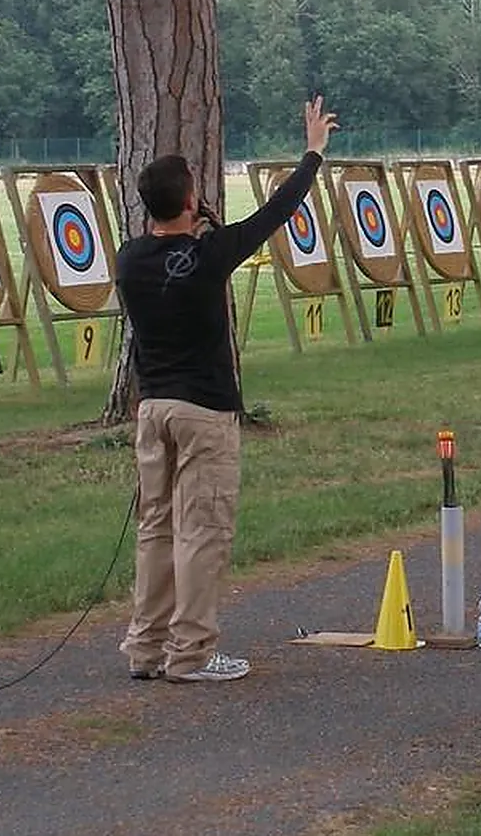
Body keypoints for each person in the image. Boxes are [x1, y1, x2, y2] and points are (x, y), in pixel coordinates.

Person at [116, 97, 338, 684]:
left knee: (156, 530)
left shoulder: (129, 258)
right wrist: (312, 152)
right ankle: (189, 654)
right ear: (192, 202)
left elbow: (170, 250)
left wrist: (190, 217)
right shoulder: (210, 254)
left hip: (154, 410)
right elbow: (277, 211)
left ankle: (146, 648)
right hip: (204, 413)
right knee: (201, 533)